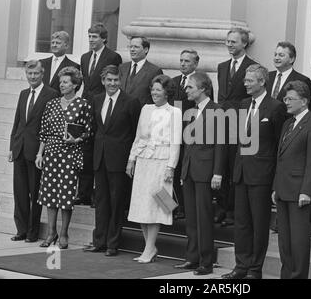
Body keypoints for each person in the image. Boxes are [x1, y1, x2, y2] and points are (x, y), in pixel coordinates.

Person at [221, 64, 285, 280]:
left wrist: (276, 180)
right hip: (241, 173)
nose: (245, 84)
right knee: (241, 223)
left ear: (261, 82)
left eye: (249, 81)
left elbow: (279, 145)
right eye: (245, 80)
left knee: (259, 225)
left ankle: (255, 269)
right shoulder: (243, 104)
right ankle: (241, 266)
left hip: (262, 175)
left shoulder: (275, 107)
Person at [83, 65, 140, 257]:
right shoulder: (97, 99)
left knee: (116, 203)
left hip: (119, 159)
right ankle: (99, 241)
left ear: (120, 81)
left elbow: (134, 133)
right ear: (103, 81)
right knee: (101, 202)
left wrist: (131, 160)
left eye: (116, 80)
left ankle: (112, 244)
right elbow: (95, 129)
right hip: (100, 158)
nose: (113, 83)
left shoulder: (131, 102)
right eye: (109, 80)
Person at [126, 75, 182, 263]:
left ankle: (150, 248)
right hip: (144, 160)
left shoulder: (174, 112)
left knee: (157, 204)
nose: (154, 93)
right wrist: (131, 159)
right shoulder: (145, 108)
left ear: (167, 92)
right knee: (142, 204)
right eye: (153, 89)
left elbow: (176, 142)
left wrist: (170, 167)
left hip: (161, 162)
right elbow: (138, 136)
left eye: (158, 89)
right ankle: (149, 247)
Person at [272, 80, 311, 279]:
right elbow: (281, 158)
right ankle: (286, 274)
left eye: (290, 99)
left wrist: (307, 190)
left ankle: (298, 275)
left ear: (304, 101)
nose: (286, 102)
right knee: (284, 240)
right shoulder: (288, 123)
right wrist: (276, 186)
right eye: (285, 98)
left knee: (299, 240)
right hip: (284, 189)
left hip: (299, 191)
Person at [36, 67, 92, 249]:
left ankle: (64, 232)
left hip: (70, 154)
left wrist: (76, 138)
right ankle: (51, 232)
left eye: (66, 82)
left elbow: (88, 130)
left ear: (75, 84)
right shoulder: (51, 104)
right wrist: (40, 153)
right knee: (50, 194)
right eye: (61, 82)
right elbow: (44, 131)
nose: (62, 85)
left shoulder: (83, 104)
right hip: (51, 153)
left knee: (66, 195)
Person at [174, 72, 225, 276]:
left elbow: (220, 145)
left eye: (190, 87)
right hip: (190, 171)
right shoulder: (191, 111)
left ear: (203, 89)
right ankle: (192, 257)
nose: (186, 90)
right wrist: (183, 169)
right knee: (192, 218)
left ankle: (206, 261)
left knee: (204, 217)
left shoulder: (217, 110)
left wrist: (218, 173)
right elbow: (188, 144)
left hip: (206, 172)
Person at [8, 60, 58, 242]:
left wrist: (43, 152)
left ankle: (32, 231)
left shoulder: (51, 94)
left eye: (36, 74)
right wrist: (12, 147)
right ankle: (21, 229)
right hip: (20, 148)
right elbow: (18, 122)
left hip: (37, 151)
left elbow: (51, 125)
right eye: (29, 74)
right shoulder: (23, 94)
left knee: (35, 192)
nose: (32, 77)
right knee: (19, 192)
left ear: (42, 74)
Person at [76, 23, 122, 207]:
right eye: (89, 37)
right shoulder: (85, 57)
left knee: (100, 149)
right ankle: (84, 192)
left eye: (94, 37)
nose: (91, 40)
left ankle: (98, 193)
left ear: (103, 38)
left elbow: (111, 81)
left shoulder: (113, 56)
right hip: (88, 107)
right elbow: (85, 83)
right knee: (86, 149)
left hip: (104, 105)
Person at [215, 28, 257, 227]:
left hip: (240, 123)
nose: (229, 44)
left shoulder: (253, 67)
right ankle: (222, 207)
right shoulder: (222, 67)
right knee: (220, 165)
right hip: (221, 122)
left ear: (244, 44)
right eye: (228, 41)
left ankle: (232, 210)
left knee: (234, 167)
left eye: (233, 42)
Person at [172, 49, 199, 220]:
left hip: (189, 133)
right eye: (181, 60)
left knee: (185, 172)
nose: (183, 64)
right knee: (173, 173)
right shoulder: (173, 81)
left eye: (187, 61)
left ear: (195, 63)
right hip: (173, 134)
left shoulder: (200, 81)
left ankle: (186, 208)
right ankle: (174, 207)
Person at [119, 36, 163, 105]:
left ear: (146, 50)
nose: (132, 49)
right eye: (130, 47)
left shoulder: (155, 71)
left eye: (136, 47)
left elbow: (157, 96)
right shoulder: (122, 67)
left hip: (142, 112)